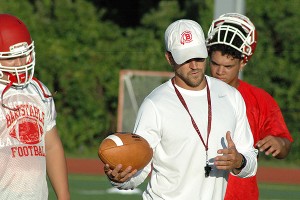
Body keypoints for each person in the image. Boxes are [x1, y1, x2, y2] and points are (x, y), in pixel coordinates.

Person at [104, 19, 258, 199]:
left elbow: (251, 162)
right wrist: (121, 178)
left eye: (199, 57)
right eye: (185, 58)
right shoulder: (155, 104)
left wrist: (239, 161)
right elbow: (139, 168)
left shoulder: (231, 97)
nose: (194, 65)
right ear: (169, 58)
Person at [206, 13, 294, 199]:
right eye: (214, 64)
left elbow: (285, 146)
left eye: (228, 66)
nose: (220, 71)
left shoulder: (260, 100)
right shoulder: (192, 93)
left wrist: (279, 143)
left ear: (243, 63)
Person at [0, 14, 70, 199]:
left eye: (24, 55)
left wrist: (64, 196)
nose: (20, 64)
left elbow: (52, 146)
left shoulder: (39, 91)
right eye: (11, 58)